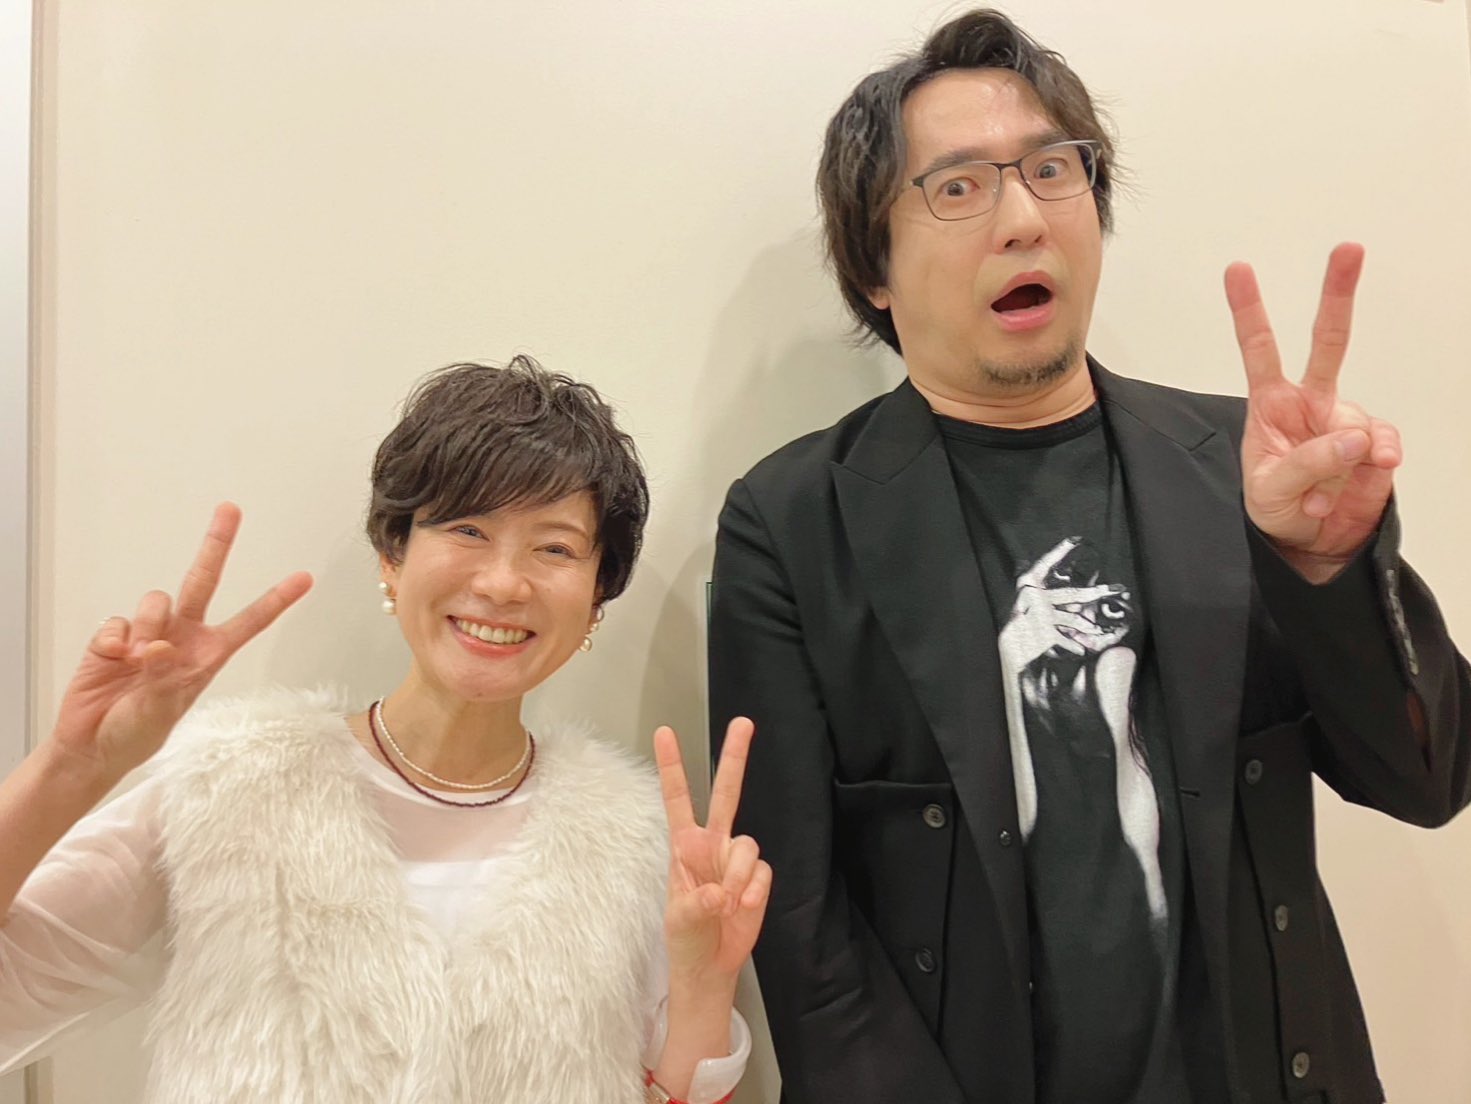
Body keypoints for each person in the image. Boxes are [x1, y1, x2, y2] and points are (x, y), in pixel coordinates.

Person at [707, 10, 1471, 1104]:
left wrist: (1328, 570)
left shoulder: (1242, 470)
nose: (1023, 218)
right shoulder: (791, 523)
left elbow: (1427, 781)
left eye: (1052, 169)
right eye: (958, 186)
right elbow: (799, 925)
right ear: (874, 267)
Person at [1, 357, 769, 1104]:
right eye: (467, 529)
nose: (503, 582)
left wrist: (705, 984)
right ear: (392, 556)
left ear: (597, 597)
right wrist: (71, 767)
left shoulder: (630, 840)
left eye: (554, 548)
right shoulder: (232, 783)